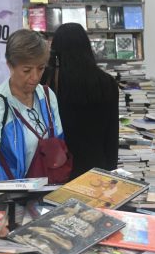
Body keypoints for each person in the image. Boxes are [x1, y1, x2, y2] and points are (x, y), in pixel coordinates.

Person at [0, 29, 64, 182]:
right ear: (10, 65)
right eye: (27, 70)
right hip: (9, 198)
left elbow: (58, 144)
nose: (35, 77)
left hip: (44, 194)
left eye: (41, 68)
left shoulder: (47, 96)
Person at [43, 23, 119, 179]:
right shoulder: (107, 82)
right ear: (87, 47)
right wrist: (111, 169)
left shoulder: (48, 81)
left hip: (58, 166)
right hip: (97, 168)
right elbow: (112, 135)